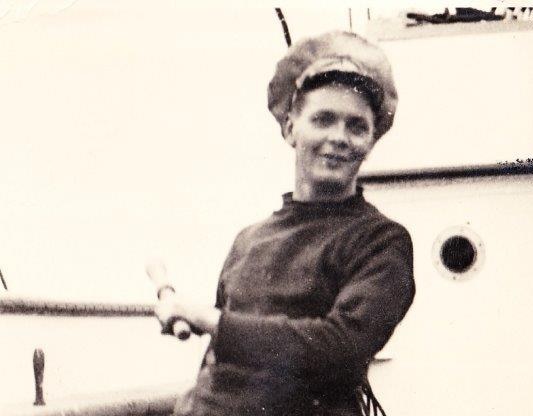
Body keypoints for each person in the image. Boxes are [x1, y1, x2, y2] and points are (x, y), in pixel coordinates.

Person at [155, 31, 415, 416]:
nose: (339, 137)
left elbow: (339, 349)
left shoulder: (380, 241)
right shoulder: (248, 240)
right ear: (291, 129)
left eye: (356, 126)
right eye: (323, 119)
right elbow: (222, 364)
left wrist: (206, 319)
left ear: (371, 142)